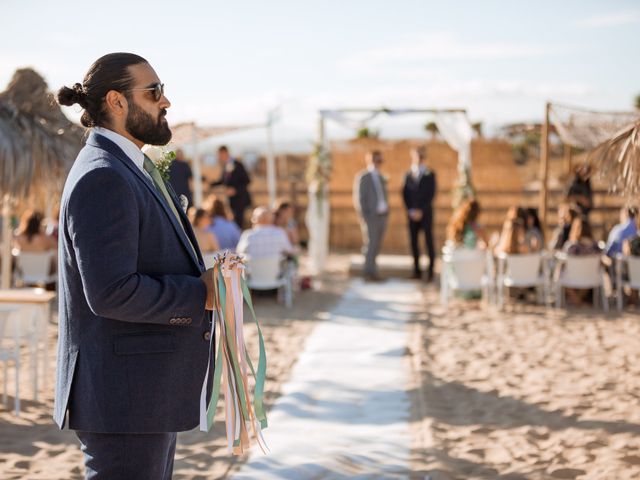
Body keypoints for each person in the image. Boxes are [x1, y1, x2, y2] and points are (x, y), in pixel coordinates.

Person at [55, 52, 216, 479]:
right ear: (117, 101)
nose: (166, 102)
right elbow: (111, 291)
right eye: (154, 91)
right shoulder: (103, 175)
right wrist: (203, 293)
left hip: (144, 393)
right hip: (125, 397)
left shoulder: (127, 167)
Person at [353, 150, 389, 281]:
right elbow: (359, 199)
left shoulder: (381, 176)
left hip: (382, 216)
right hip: (371, 217)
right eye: (377, 160)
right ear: (371, 160)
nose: (379, 163)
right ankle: (368, 273)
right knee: (370, 245)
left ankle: (374, 272)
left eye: (380, 161)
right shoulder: (364, 176)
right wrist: (364, 216)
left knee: (377, 245)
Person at [402, 146, 437, 281]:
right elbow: (405, 194)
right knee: (414, 243)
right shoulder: (408, 174)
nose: (419, 158)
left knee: (428, 242)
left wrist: (421, 210)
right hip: (411, 215)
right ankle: (416, 271)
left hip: (426, 214)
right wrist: (411, 210)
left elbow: (431, 194)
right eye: (416, 156)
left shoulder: (430, 174)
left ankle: (430, 272)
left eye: (421, 156)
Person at [210, 145, 252, 229]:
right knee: (233, 220)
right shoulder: (226, 165)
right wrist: (211, 184)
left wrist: (235, 190)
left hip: (240, 199)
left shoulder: (238, 164)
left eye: (220, 154)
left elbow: (247, 181)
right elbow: (223, 180)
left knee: (238, 221)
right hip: (231, 200)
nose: (219, 157)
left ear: (225, 152)